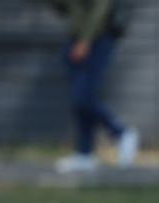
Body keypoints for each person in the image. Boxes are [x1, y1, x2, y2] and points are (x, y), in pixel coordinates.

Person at [50, 0, 139, 173]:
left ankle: (121, 133)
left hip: (96, 39)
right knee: (78, 100)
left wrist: (85, 41)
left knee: (83, 97)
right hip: (75, 38)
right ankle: (85, 154)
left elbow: (101, 8)